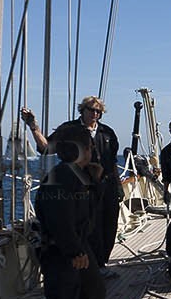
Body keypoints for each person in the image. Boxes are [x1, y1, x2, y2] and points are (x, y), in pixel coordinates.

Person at [33, 125, 110, 299]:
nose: (92, 151)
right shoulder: (60, 177)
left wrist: (96, 181)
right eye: (89, 147)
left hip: (76, 244)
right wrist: (75, 252)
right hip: (60, 250)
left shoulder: (78, 175)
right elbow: (59, 220)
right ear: (81, 150)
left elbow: (89, 213)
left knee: (95, 290)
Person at [21, 97, 122, 274]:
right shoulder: (69, 130)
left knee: (109, 226)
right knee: (90, 227)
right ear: (82, 110)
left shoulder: (107, 132)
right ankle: (91, 266)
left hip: (107, 186)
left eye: (99, 112)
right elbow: (46, 148)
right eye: (91, 110)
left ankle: (102, 263)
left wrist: (118, 187)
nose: (95, 114)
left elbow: (112, 161)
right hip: (80, 187)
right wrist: (34, 127)